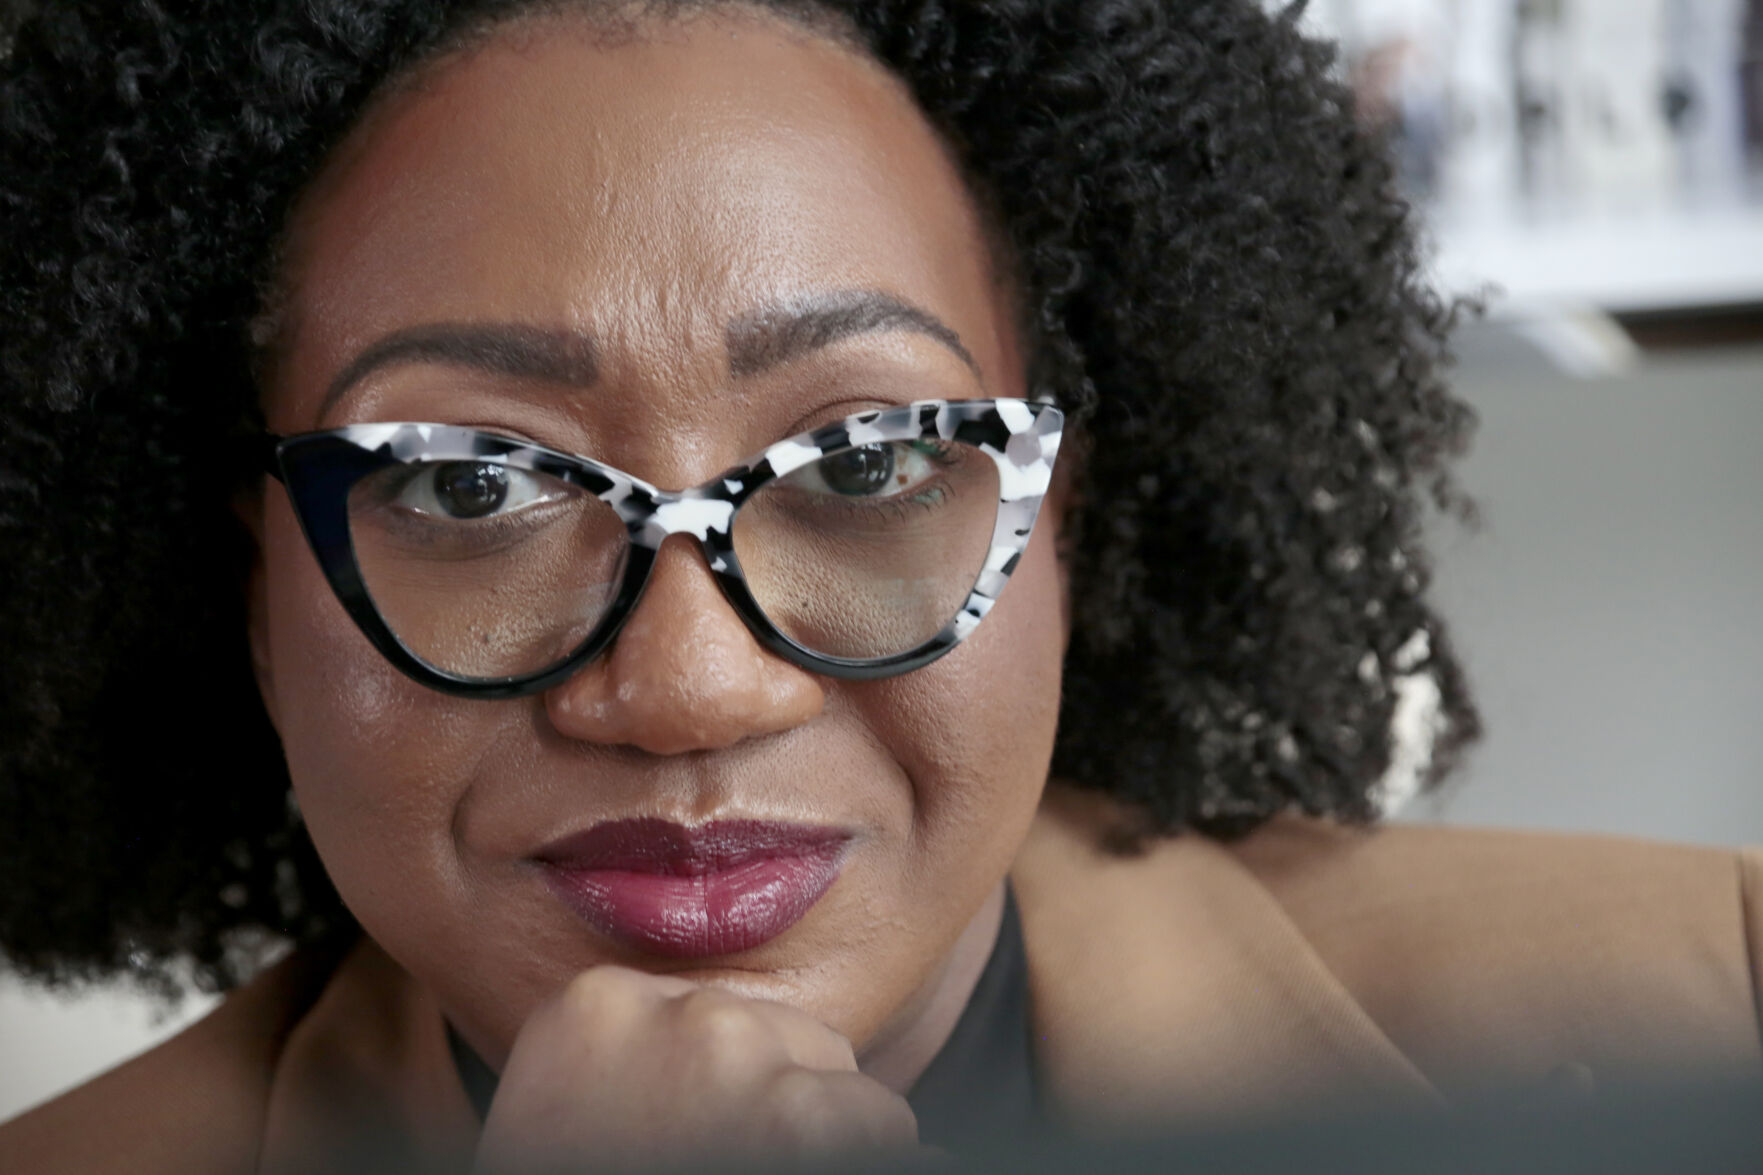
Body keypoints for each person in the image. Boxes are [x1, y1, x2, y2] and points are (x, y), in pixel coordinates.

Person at [0, 2, 1757, 1172]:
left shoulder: (1718, 1010)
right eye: (470, 483)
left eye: (864, 463)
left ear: (1067, 519)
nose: (689, 690)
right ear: (248, 590)